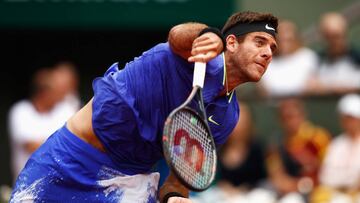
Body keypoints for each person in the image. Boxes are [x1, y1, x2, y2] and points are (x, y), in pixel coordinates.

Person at [10, 11, 278, 203]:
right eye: (259, 42)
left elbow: (179, 180)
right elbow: (178, 37)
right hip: (68, 160)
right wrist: (209, 35)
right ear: (231, 43)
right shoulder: (190, 56)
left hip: (128, 184)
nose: (268, 53)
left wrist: (174, 197)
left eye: (272, 48)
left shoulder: (227, 117)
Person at [8, 67, 74, 182]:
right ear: (44, 93)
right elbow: (31, 146)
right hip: (26, 186)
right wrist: (64, 145)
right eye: (56, 91)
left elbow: (74, 142)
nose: (60, 95)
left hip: (60, 185)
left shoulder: (65, 110)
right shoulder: (20, 111)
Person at [266, 98, 331, 203]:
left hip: (315, 191)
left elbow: (327, 170)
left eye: (293, 116)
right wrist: (288, 185)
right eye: (285, 118)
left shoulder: (318, 137)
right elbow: (276, 174)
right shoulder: (276, 143)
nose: (290, 122)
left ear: (303, 115)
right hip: (285, 192)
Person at [311, 94, 360, 203]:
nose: (350, 122)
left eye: (352, 118)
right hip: (336, 195)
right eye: (346, 118)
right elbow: (326, 177)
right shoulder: (336, 145)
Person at [259, 20, 318, 98]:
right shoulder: (267, 60)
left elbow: (312, 87)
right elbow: (265, 90)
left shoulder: (308, 56)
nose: (284, 42)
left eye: (288, 39)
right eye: (281, 39)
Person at [307, 12, 360, 95]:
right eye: (328, 36)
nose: (333, 41)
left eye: (337, 36)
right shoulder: (316, 59)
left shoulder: (357, 57)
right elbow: (311, 86)